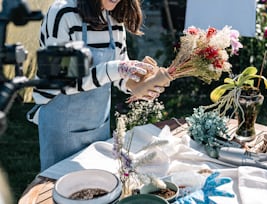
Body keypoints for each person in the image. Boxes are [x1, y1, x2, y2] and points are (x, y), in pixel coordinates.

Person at [27, 0, 169, 171]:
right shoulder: (63, 12)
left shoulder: (114, 20)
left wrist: (141, 85)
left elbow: (118, 75)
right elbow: (62, 78)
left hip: (98, 125)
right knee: (60, 186)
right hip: (61, 126)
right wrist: (116, 68)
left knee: (97, 186)